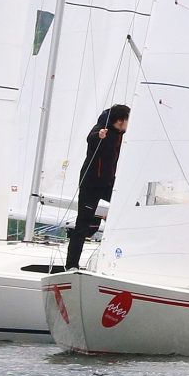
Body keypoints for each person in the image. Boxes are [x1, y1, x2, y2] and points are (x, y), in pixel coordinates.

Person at [64, 103, 131, 270]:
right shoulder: (103, 128)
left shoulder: (121, 132)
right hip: (91, 183)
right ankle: (71, 265)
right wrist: (99, 135)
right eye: (128, 120)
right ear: (120, 121)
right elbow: (91, 137)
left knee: (129, 204)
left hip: (108, 182)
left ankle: (122, 257)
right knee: (82, 224)